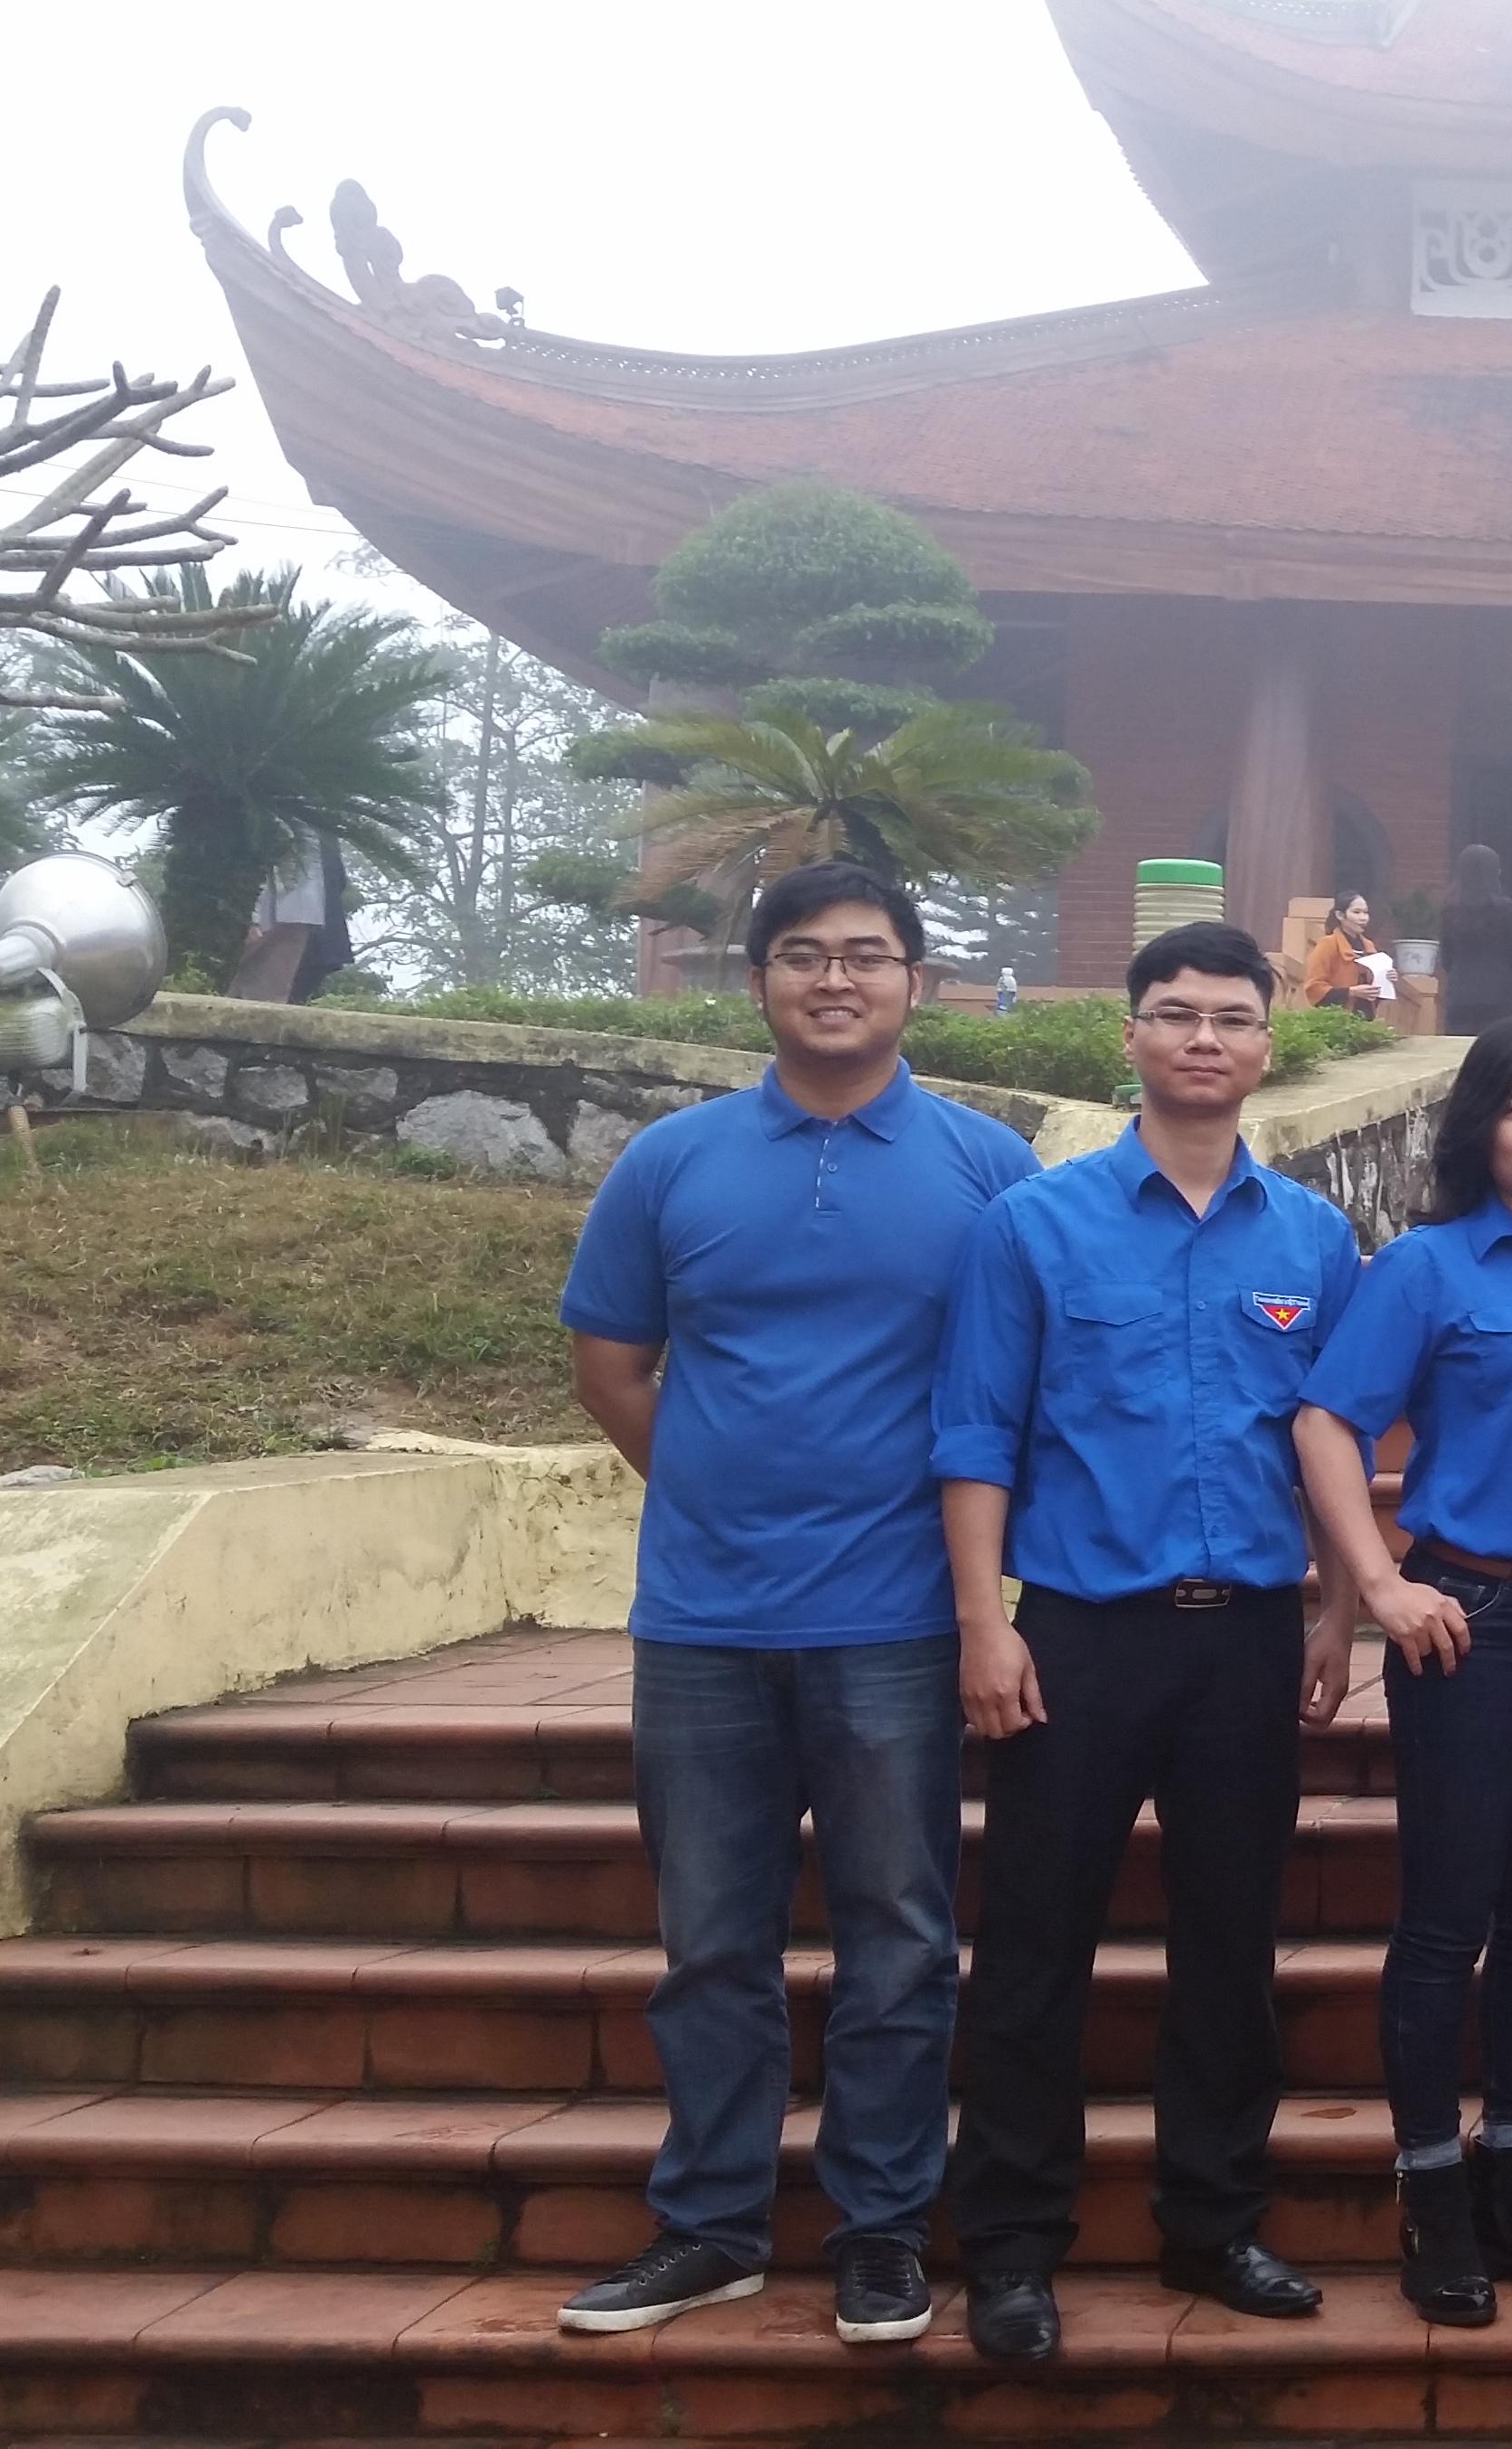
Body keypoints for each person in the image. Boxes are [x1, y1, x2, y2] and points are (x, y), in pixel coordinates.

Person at [552, 862, 1038, 2350]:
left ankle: (880, 2231)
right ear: (759, 978)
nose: (838, 979)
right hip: (702, 1623)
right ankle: (710, 2226)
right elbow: (611, 1364)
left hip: (897, 1619)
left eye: (868, 956)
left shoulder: (987, 1166)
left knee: (899, 1938)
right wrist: (714, 1486)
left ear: (915, 983)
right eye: (807, 955)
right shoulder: (672, 1161)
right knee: (712, 1942)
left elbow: (1019, 1380)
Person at [930, 920, 1370, 2368]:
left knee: (1231, 1945)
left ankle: (1214, 2221)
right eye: (1175, 1013)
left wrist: (1336, 1606)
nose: (1203, 1038)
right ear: (1130, 1034)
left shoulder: (1311, 1239)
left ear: (1267, 1047)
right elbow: (977, 1435)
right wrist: (984, 1624)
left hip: (1244, 1641)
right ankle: (1010, 2245)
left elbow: (1334, 1440)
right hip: (1079, 1637)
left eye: (1232, 1018)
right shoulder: (1034, 1227)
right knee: (1035, 1944)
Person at [1290, 1018, 1512, 2326]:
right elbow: (1325, 1421)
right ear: (1478, 1130)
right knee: (1449, 1918)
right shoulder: (1429, 1265)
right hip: (1472, 1622)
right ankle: (1430, 2194)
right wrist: (1377, 1587)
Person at [1441, 843, 1512, 1034]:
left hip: (1461, 995)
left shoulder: (1450, 909)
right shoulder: (1505, 908)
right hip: (1501, 994)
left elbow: (1446, 957)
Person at [1296, 892, 1384, 1014]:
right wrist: (1350, 992)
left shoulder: (1369, 947)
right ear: (1340, 915)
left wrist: (1386, 979)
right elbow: (1314, 987)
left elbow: (1376, 993)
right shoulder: (1328, 944)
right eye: (1356, 912)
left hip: (1366, 1017)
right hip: (1336, 1018)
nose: (1363, 918)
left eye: (1365, 912)